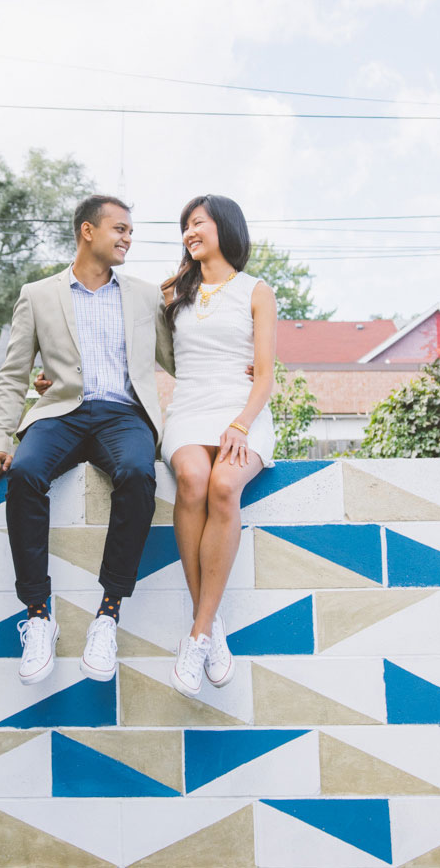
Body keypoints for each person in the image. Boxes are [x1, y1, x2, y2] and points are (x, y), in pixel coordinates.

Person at [0, 195, 174, 686]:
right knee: (23, 474)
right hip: (61, 413)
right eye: (120, 229)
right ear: (88, 231)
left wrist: (238, 365)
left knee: (136, 474)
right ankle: (39, 616)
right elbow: (14, 373)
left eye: (131, 231)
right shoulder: (38, 295)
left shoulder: (145, 296)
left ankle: (107, 616)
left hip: (124, 416)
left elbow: (180, 359)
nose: (128, 238)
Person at [161, 194, 276, 697]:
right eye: (185, 226)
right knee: (192, 478)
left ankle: (198, 632)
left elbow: (267, 374)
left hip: (241, 408)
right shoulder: (171, 292)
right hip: (187, 407)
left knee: (225, 486)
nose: (189, 232)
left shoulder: (257, 291)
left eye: (198, 223)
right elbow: (130, 343)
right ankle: (209, 626)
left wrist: (242, 423)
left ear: (225, 227)